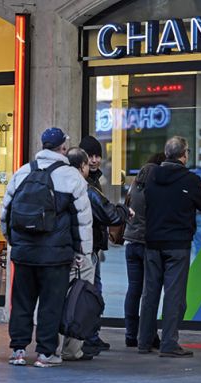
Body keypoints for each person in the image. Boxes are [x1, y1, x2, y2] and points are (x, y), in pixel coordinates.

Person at [2, 128, 92, 368]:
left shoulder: (22, 172)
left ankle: (18, 350)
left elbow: (6, 213)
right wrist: (82, 252)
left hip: (24, 253)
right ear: (63, 148)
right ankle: (45, 353)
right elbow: (82, 219)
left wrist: (13, 242)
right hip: (56, 255)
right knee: (51, 304)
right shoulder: (71, 177)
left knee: (22, 302)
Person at [138, 137, 201, 357]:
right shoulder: (189, 180)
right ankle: (169, 343)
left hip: (152, 242)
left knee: (150, 292)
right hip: (177, 244)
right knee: (174, 294)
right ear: (184, 154)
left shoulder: (152, 176)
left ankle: (144, 341)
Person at [65, 147, 130, 360]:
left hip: (58, 250)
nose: (94, 161)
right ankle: (75, 346)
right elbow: (108, 213)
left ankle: (50, 348)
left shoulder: (53, 181)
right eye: (89, 159)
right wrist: (124, 211)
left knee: (60, 298)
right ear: (82, 166)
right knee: (82, 296)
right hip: (82, 251)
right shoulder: (84, 187)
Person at [122, 152, 166, 348]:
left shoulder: (135, 184)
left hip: (130, 242)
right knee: (150, 292)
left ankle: (131, 334)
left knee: (134, 290)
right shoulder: (154, 187)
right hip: (147, 244)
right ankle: (148, 335)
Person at [78, 135, 110, 352]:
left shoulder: (95, 180)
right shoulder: (84, 182)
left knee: (94, 290)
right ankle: (88, 336)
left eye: (98, 155)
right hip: (85, 245)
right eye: (91, 155)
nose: (95, 160)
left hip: (94, 244)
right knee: (90, 290)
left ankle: (91, 334)